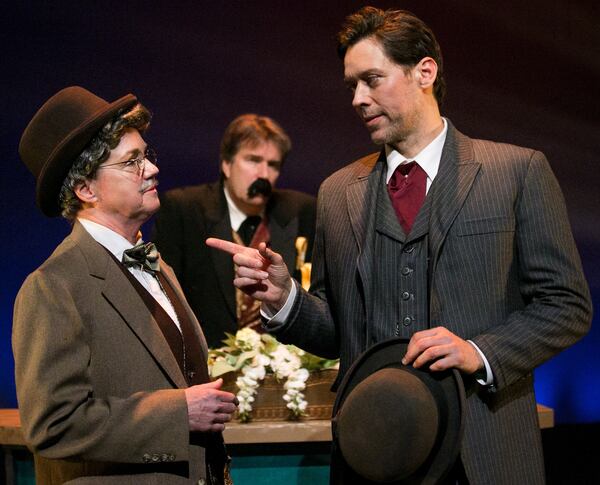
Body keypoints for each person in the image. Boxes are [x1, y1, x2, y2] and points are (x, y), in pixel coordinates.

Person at [207, 6, 593, 484]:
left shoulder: (515, 173)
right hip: (373, 453)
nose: (358, 99)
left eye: (372, 79)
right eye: (352, 85)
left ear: (424, 71)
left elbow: (567, 305)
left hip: (483, 452)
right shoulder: (337, 192)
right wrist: (286, 300)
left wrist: (480, 351)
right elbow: (338, 329)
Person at [13, 86, 238, 485]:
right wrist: (177, 414)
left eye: (146, 155)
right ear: (86, 189)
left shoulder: (157, 264)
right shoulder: (53, 286)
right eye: (131, 162)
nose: (151, 169)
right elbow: (53, 424)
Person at [153, 114, 316, 348]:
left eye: (273, 165)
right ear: (226, 165)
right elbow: (165, 297)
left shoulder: (303, 210)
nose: (263, 174)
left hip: (283, 365)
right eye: (253, 160)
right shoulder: (183, 209)